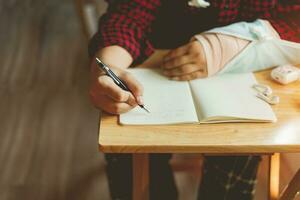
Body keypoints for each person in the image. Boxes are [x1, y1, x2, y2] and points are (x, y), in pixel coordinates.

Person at [88, 1, 300, 199]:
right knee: (128, 148)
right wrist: (109, 67)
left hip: (247, 73)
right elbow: (128, 14)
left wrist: (226, 44)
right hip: (154, 62)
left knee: (239, 150)